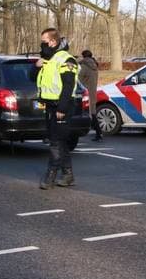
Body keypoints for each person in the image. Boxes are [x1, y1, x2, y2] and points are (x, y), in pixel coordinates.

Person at [35, 27, 79, 189]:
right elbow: (34, 78)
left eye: (44, 42)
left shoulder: (66, 59)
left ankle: (51, 175)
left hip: (62, 106)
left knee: (55, 142)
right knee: (59, 141)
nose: (42, 45)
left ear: (53, 41)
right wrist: (36, 66)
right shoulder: (48, 58)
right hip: (50, 105)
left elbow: (68, 86)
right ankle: (68, 175)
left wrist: (62, 108)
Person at [78, 48, 102, 142]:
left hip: (85, 93)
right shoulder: (94, 66)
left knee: (89, 113)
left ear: (84, 56)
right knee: (92, 112)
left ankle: (98, 132)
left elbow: (78, 79)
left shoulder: (84, 66)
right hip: (92, 92)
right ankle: (98, 133)